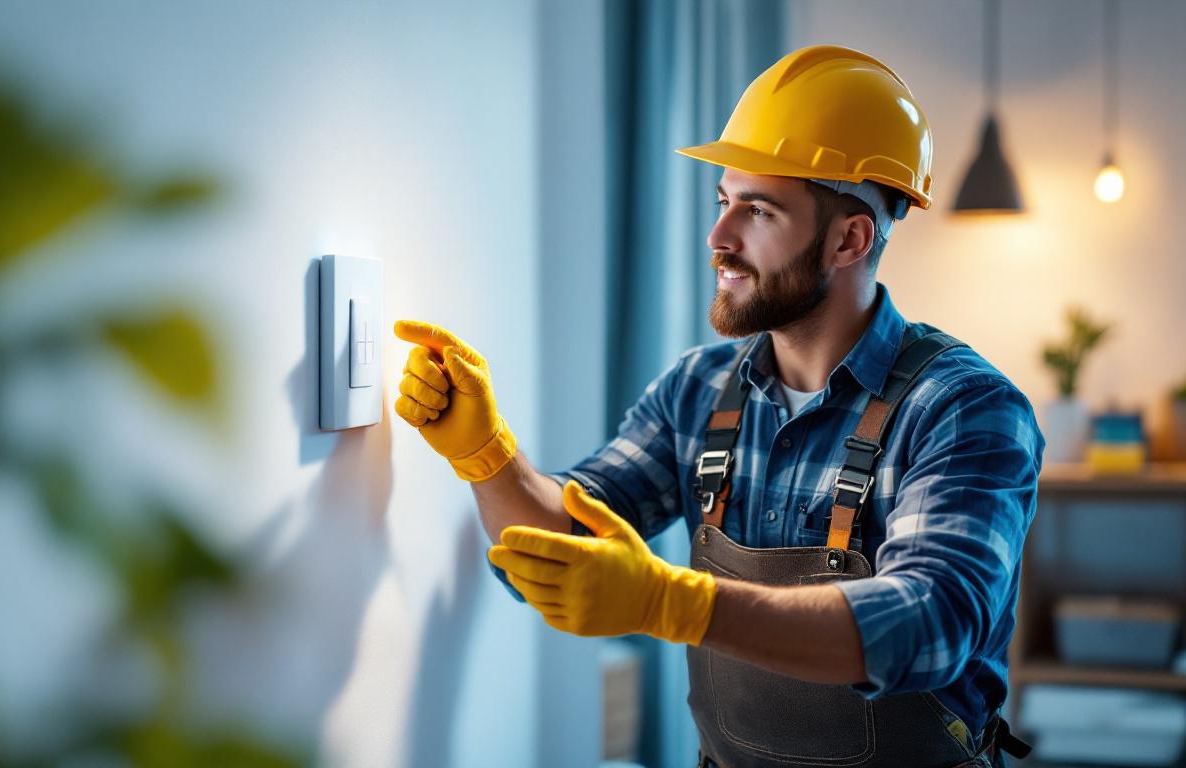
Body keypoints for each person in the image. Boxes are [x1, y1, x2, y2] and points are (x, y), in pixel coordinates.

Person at [392, 45, 1042, 768]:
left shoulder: (963, 407)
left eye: (758, 211)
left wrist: (677, 604)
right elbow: (560, 548)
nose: (719, 240)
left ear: (849, 238)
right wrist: (487, 457)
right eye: (724, 202)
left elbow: (933, 622)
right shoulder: (697, 391)